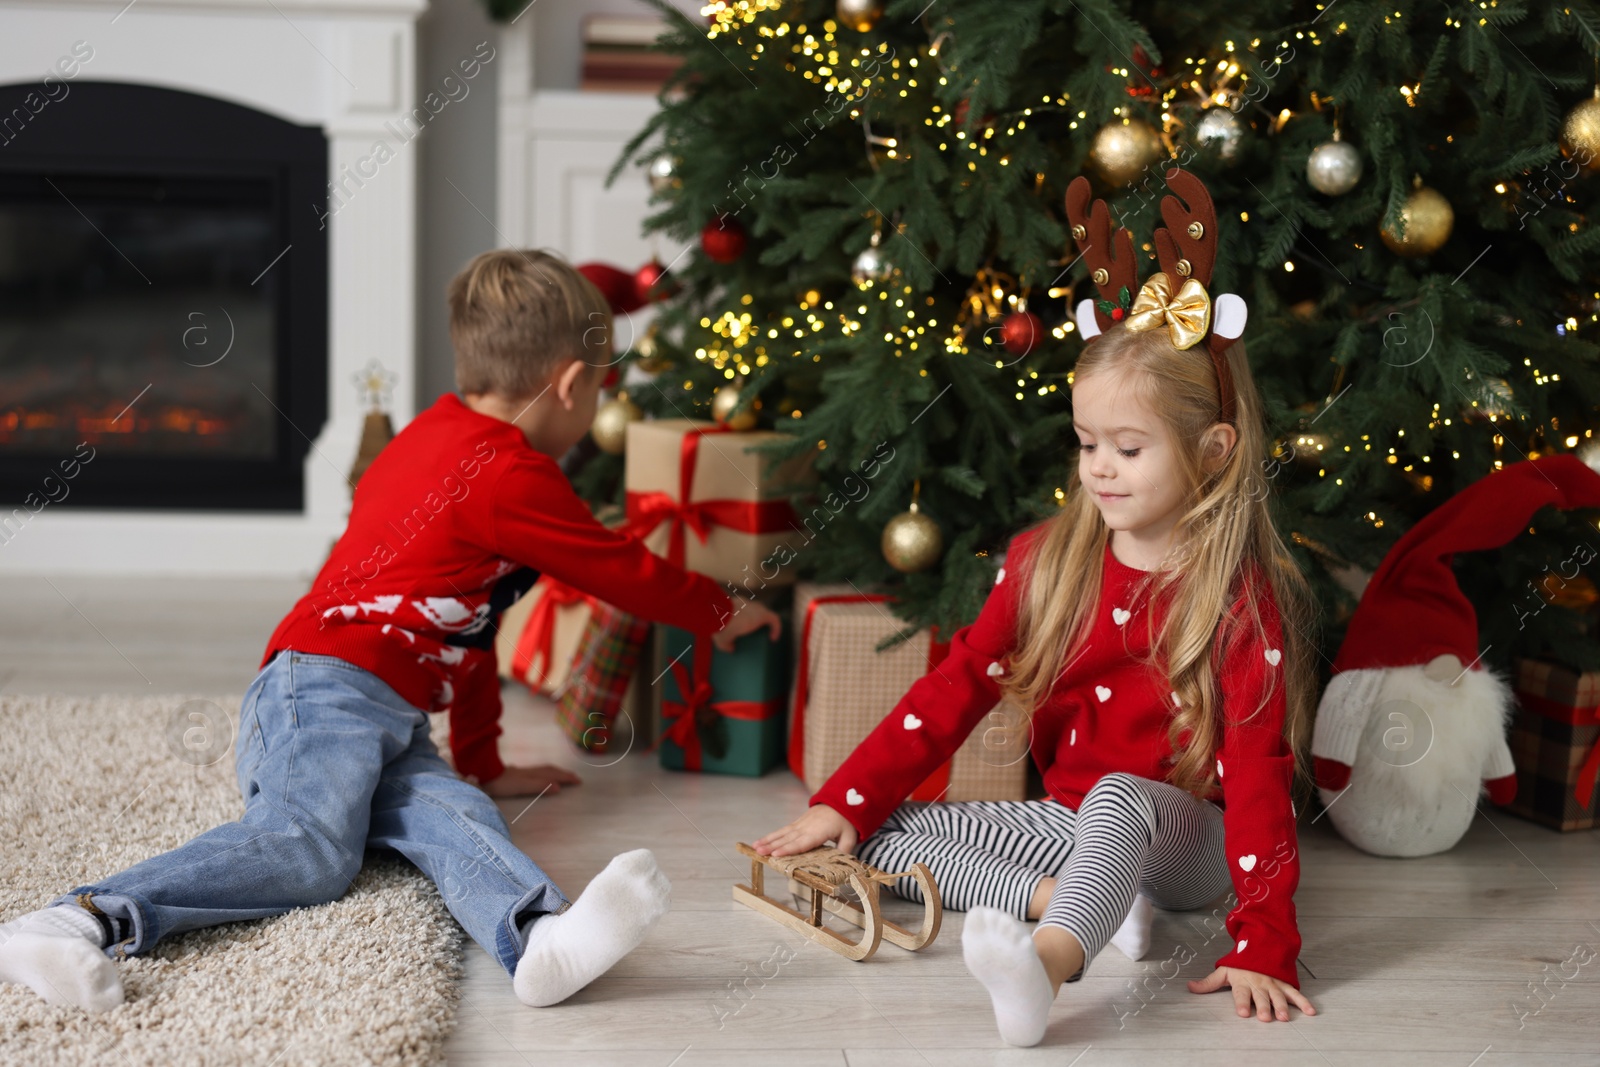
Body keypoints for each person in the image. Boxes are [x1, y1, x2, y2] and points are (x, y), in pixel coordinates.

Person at [0, 248, 781, 1013]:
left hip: (380, 709)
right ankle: (78, 920)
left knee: (457, 813)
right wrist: (722, 609)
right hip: (322, 686)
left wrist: (483, 759)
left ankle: (536, 937)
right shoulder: (511, 474)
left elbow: (467, 631)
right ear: (572, 386)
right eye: (597, 394)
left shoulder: (428, 435)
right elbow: (619, 567)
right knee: (310, 850)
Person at [755, 172, 1318, 1046]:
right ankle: (1073, 902)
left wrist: (1266, 944)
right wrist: (843, 802)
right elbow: (952, 688)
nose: (1099, 468)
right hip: (1069, 821)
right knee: (877, 829)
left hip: (1186, 842)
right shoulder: (1046, 560)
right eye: (1088, 443)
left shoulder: (1235, 596)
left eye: (1129, 449)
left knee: (1124, 799)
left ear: (1212, 452)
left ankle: (1049, 963)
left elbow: (1256, 776)